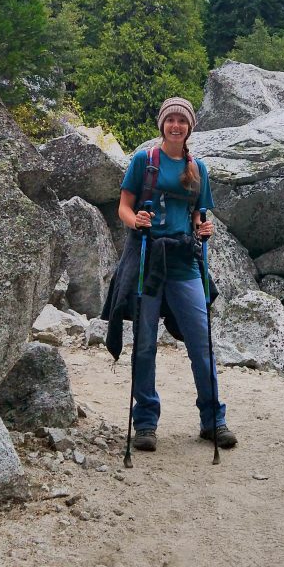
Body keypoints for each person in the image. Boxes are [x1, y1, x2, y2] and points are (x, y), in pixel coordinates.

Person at [106, 96, 237, 453]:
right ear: (162, 124)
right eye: (170, 120)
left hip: (183, 260)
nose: (176, 125)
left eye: (182, 120)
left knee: (201, 342)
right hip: (149, 259)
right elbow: (124, 205)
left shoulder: (198, 168)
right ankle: (146, 422)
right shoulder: (143, 161)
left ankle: (213, 420)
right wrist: (136, 221)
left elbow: (198, 212)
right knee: (145, 344)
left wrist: (203, 228)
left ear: (189, 127)